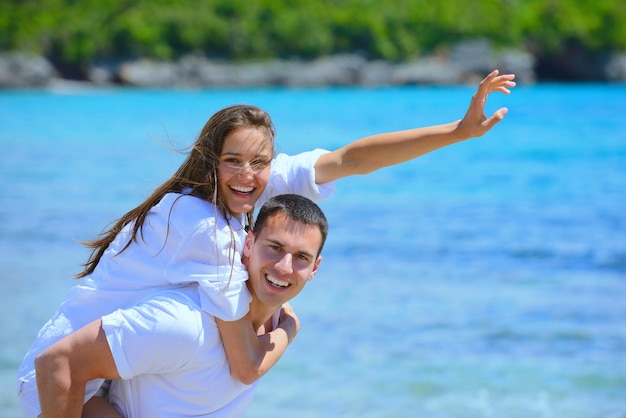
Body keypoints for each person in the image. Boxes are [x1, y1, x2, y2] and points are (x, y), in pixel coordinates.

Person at [18, 69, 516, 416]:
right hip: (60, 377)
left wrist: (457, 131)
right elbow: (245, 363)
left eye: (259, 163)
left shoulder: (244, 191)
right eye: (233, 161)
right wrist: (288, 331)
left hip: (106, 372)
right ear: (210, 159)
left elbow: (350, 160)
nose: (248, 175)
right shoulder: (202, 227)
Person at [35, 194, 328, 417]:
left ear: (315, 268)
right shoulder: (185, 324)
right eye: (275, 248)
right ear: (248, 244)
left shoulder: (273, 322)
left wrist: (288, 328)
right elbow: (58, 364)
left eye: (301, 257)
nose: (284, 267)